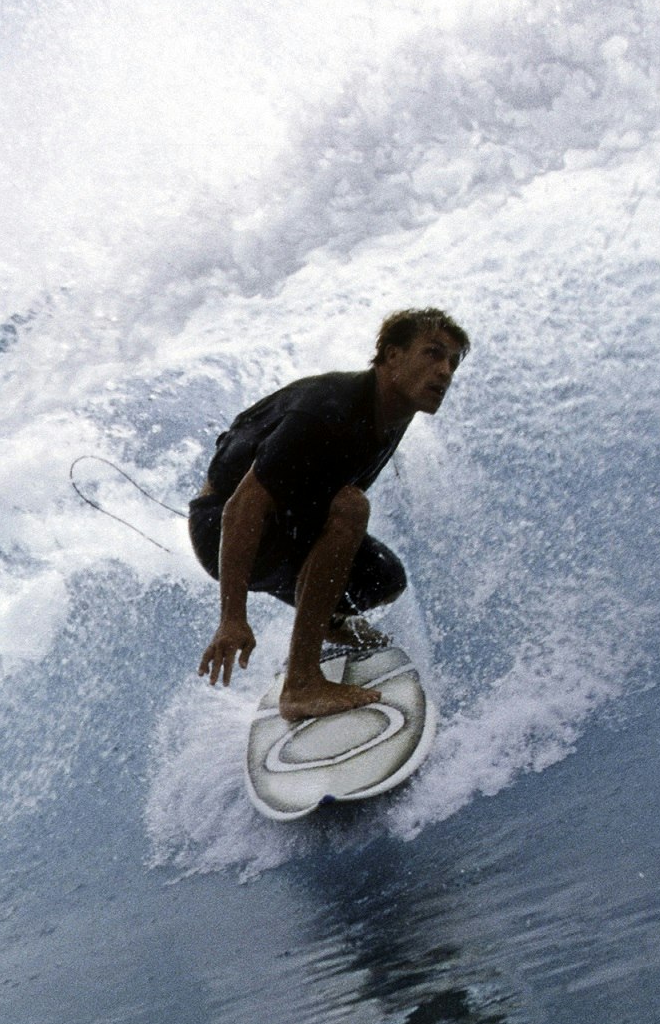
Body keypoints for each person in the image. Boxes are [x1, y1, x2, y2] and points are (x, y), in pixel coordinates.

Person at [191, 307, 468, 720]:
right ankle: (301, 684)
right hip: (224, 528)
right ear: (392, 356)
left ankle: (328, 627)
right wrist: (233, 618)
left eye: (453, 362)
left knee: (382, 580)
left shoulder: (395, 412)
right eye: (432, 354)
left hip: (287, 525)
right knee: (351, 507)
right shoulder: (328, 409)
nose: (445, 371)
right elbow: (242, 506)